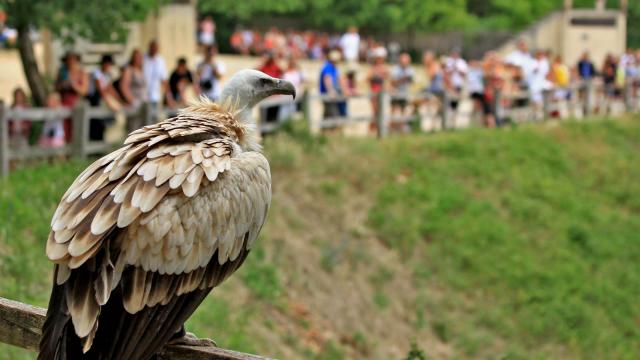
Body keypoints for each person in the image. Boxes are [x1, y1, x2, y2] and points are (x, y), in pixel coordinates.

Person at [55, 51, 88, 142]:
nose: (71, 62)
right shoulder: (62, 72)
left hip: (76, 104)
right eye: (69, 59)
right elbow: (56, 87)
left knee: (76, 129)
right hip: (63, 104)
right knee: (63, 129)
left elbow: (84, 91)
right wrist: (63, 85)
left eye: (73, 59)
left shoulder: (81, 72)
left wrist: (73, 85)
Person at [87, 54, 121, 140]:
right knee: (95, 123)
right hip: (94, 100)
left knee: (103, 123)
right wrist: (109, 102)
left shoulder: (107, 75)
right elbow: (100, 90)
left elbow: (110, 88)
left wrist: (118, 99)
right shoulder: (97, 73)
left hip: (103, 100)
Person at [144, 40, 173, 108]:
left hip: (155, 96)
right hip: (142, 96)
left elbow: (164, 80)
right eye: (153, 47)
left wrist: (169, 98)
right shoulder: (143, 58)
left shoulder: (160, 61)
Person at [320, 49, 348, 118]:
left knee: (328, 114)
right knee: (333, 114)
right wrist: (331, 91)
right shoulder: (328, 67)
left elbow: (339, 79)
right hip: (328, 94)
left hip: (331, 93)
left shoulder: (333, 67)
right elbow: (327, 79)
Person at [258, 52, 283, 122]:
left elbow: (282, 72)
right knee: (265, 117)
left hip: (275, 96)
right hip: (266, 96)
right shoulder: (264, 67)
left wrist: (276, 60)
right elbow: (255, 71)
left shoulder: (275, 67)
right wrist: (263, 61)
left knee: (274, 117)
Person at [367, 46, 389, 125]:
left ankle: (379, 128)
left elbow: (387, 80)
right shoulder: (373, 68)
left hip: (381, 92)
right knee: (374, 111)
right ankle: (373, 128)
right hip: (374, 92)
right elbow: (368, 78)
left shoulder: (384, 68)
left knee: (380, 111)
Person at [390, 52, 414, 117]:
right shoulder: (395, 69)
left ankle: (402, 125)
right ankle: (392, 124)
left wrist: (408, 79)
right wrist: (402, 79)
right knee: (393, 109)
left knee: (403, 109)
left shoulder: (410, 69)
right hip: (395, 92)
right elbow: (392, 82)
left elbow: (411, 82)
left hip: (405, 93)